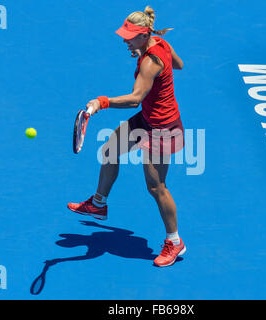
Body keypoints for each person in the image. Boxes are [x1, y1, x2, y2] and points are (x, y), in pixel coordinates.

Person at [67, 6, 185, 267]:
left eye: (129, 36)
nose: (124, 40)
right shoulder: (160, 43)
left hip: (163, 128)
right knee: (110, 150)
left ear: (144, 35)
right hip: (149, 118)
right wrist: (145, 53)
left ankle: (174, 241)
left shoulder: (150, 62)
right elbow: (178, 64)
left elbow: (135, 99)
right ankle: (98, 204)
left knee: (156, 187)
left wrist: (101, 102)